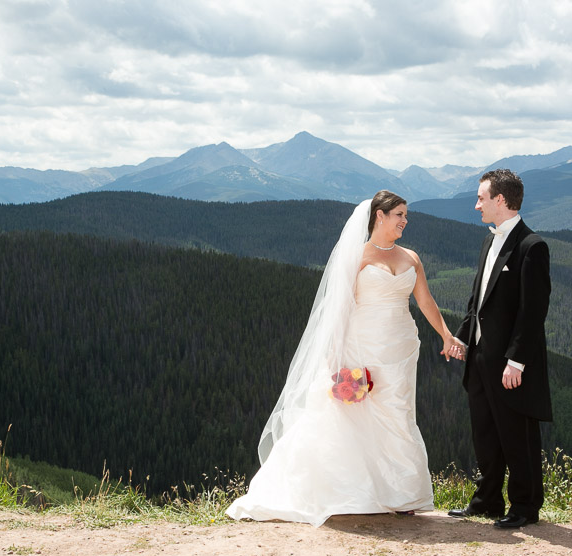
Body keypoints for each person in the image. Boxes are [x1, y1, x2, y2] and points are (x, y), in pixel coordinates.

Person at [226, 190, 457, 527]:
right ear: (380, 216)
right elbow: (339, 310)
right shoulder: (358, 256)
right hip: (362, 346)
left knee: (399, 413)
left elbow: (424, 302)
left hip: (402, 346)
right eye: (399, 215)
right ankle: (357, 490)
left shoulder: (412, 257)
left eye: (406, 216)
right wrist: (334, 360)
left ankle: (402, 493)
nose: (405, 221)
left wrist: (446, 334)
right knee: (356, 417)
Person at [447, 169, 552, 529]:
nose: (476, 205)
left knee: (517, 435)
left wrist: (517, 361)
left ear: (501, 201)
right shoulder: (488, 241)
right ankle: (487, 501)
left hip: (510, 364)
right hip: (479, 359)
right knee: (486, 433)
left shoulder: (531, 246)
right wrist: (463, 337)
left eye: (481, 198)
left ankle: (525, 507)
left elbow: (533, 311)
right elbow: (478, 299)